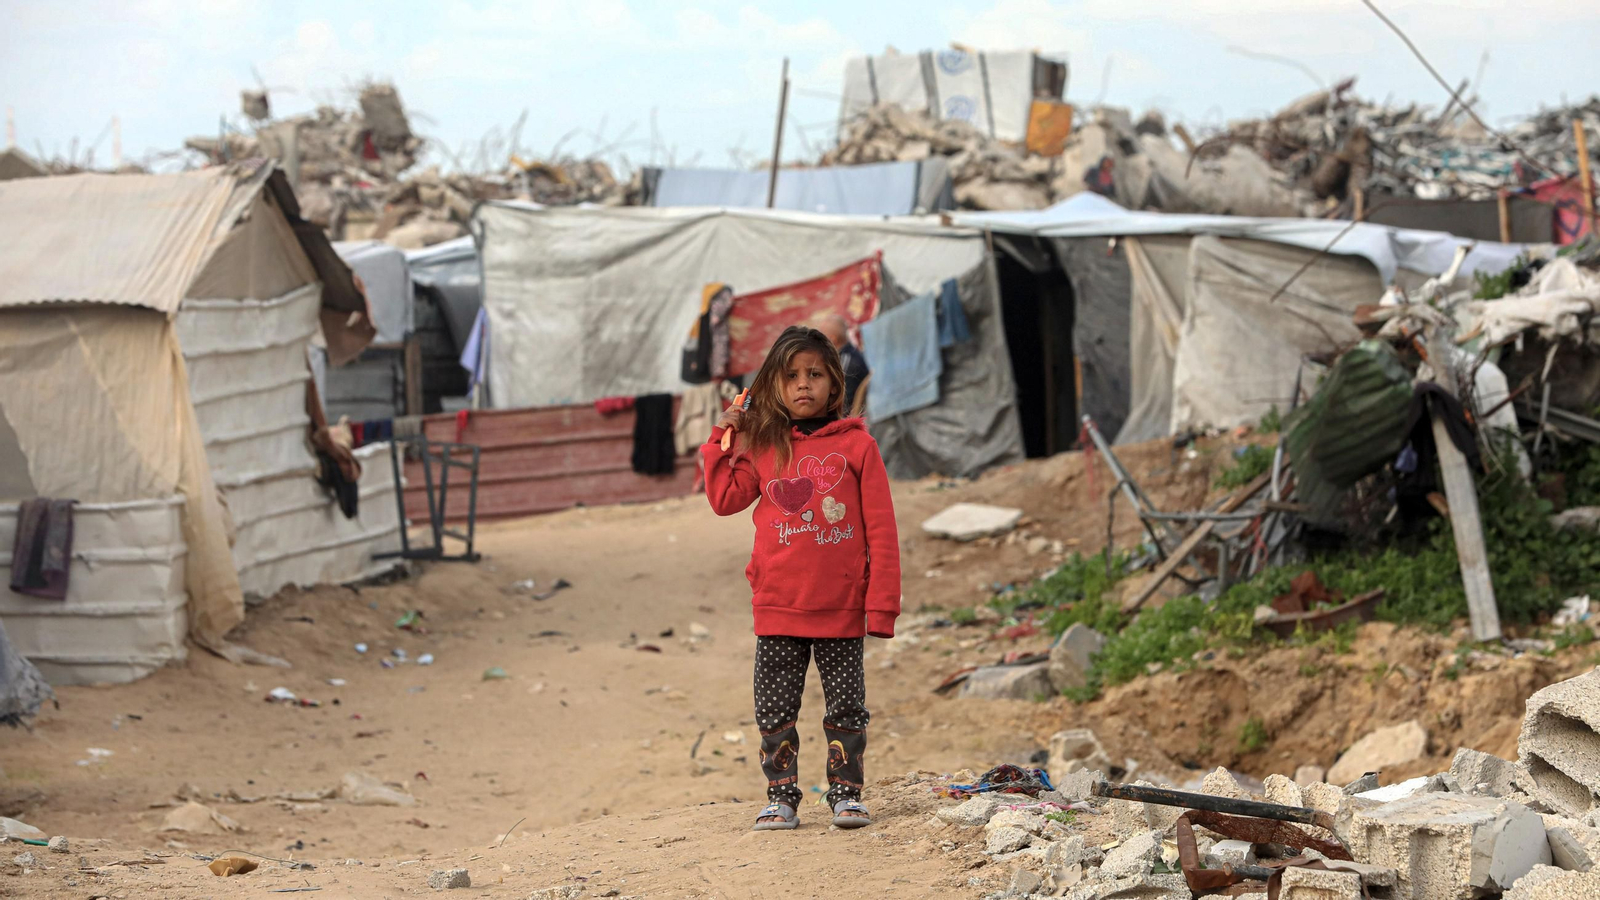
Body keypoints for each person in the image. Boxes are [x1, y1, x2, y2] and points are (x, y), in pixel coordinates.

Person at [701, 325, 901, 832]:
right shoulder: (762, 447)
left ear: (835, 385)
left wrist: (880, 607)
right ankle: (781, 796)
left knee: (847, 706)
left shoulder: (859, 448)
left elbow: (882, 531)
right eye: (790, 376)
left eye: (814, 374)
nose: (802, 385)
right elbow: (725, 499)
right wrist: (722, 437)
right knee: (775, 707)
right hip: (779, 604)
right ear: (772, 387)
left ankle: (846, 795)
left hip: (840, 606)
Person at [818, 314, 869, 414]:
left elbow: (842, 405)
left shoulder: (846, 363)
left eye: (820, 337)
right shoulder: (846, 356)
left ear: (832, 339)